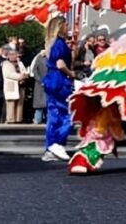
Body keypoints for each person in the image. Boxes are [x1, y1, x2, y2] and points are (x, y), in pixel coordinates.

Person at [41, 16, 75, 161]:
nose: (68, 27)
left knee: (54, 114)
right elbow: (61, 64)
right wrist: (71, 73)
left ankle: (50, 148)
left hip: (51, 80)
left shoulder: (52, 43)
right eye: (66, 25)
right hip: (60, 81)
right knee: (69, 113)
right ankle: (57, 142)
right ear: (60, 26)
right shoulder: (60, 44)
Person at [2, 49, 28, 123]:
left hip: (21, 86)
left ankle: (18, 119)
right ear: (9, 56)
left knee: (20, 103)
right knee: (11, 103)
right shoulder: (6, 64)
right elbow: (9, 74)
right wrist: (21, 76)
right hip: (11, 86)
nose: (14, 56)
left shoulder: (20, 63)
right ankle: (10, 119)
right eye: (12, 55)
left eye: (15, 54)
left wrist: (25, 75)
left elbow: (24, 71)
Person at [29, 49, 47, 124]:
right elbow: (34, 70)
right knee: (40, 104)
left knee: (47, 103)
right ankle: (37, 119)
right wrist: (39, 80)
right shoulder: (39, 58)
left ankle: (45, 119)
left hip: (47, 83)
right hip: (40, 83)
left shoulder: (51, 58)